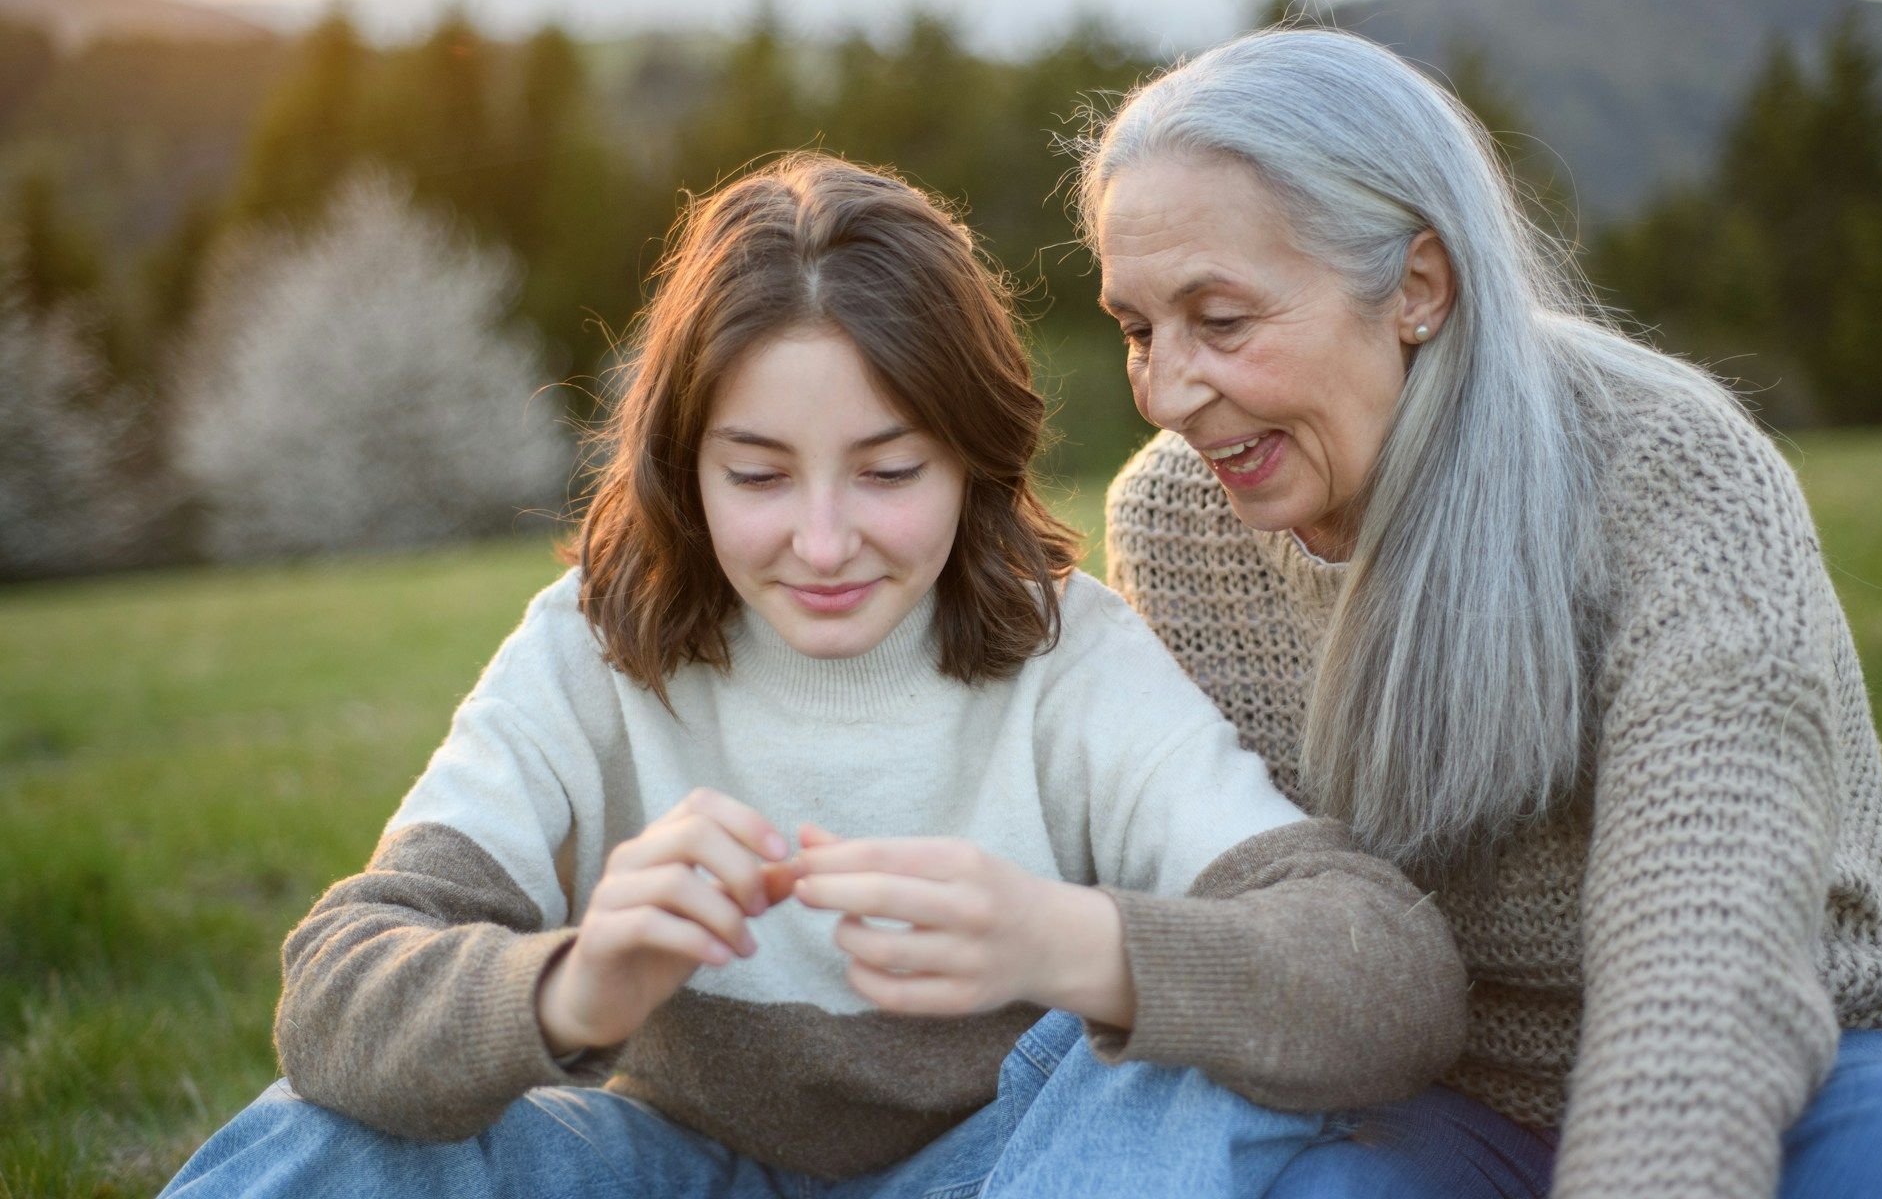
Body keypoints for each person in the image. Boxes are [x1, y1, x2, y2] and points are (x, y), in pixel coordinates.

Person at [159, 152, 1467, 1198]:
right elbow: (335, 993)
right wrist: (576, 984)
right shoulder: (591, 642)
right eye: (761, 473)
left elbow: (1390, 981)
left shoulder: (1067, 656)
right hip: (670, 1168)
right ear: (687, 463)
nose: (825, 542)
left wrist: (1064, 943)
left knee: (1196, 1064)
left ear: (971, 460)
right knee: (336, 1134)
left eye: (891, 472)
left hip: (1012, 1169)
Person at [1077, 26, 1882, 1199]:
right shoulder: (1175, 524)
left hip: (1806, 1054)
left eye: (1222, 322)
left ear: (1418, 288)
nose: (1169, 390)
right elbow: (1275, 925)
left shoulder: (1670, 475)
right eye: (1136, 329)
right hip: (1444, 1095)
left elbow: (1709, 954)